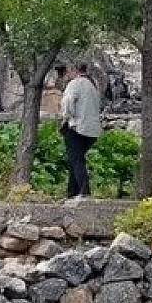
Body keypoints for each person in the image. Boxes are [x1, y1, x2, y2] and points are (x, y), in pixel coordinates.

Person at [58, 60, 102, 200]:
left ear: (74, 70)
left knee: (76, 160)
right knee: (75, 159)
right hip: (92, 130)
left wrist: (66, 118)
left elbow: (68, 103)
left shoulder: (74, 84)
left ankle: (84, 191)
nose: (66, 74)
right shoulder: (92, 86)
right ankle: (72, 192)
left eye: (67, 71)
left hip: (77, 127)